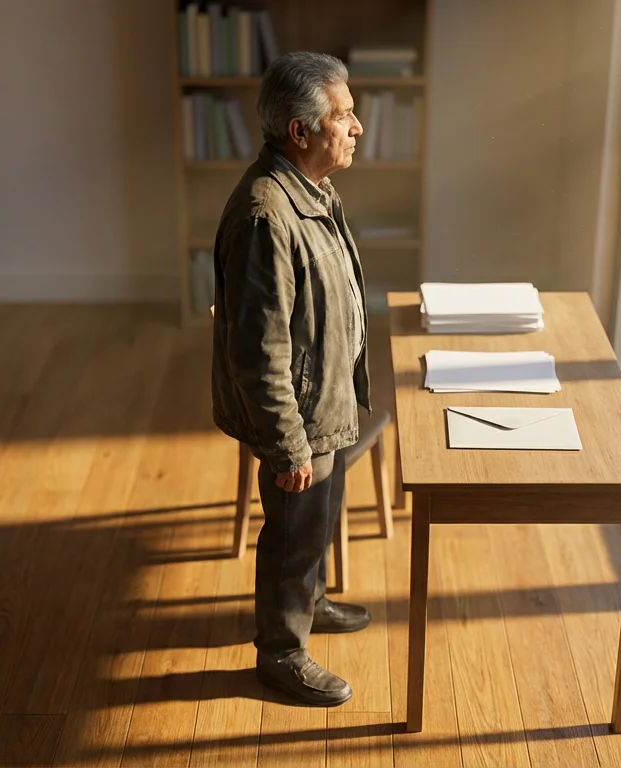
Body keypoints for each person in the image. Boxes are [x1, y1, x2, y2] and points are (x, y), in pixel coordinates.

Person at [210, 51, 371, 706]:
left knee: (318, 519)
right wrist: (287, 445)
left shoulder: (311, 190)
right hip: (297, 414)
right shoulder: (265, 217)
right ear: (300, 132)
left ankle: (312, 600)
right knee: (292, 529)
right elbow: (258, 350)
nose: (357, 126)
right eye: (343, 114)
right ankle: (281, 651)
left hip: (325, 398)